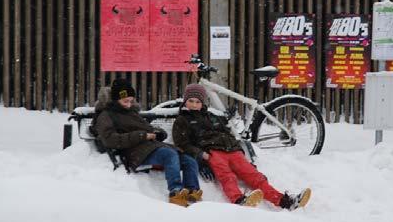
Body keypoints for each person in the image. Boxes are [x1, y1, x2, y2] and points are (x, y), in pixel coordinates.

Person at [172, 84, 311, 210]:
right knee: (227, 177)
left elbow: (227, 133)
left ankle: (285, 201)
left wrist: (239, 149)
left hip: (233, 150)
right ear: (185, 101)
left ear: (202, 103)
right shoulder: (182, 120)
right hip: (212, 152)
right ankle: (239, 200)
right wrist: (201, 155)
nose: (194, 105)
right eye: (191, 101)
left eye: (197, 102)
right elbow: (182, 143)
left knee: (255, 176)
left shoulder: (212, 116)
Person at [93, 78, 201, 207]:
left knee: (189, 160)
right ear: (116, 99)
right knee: (169, 154)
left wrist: (158, 132)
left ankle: (191, 191)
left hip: (150, 147)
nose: (128, 104)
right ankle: (175, 192)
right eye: (125, 101)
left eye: (131, 101)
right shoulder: (106, 115)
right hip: (134, 152)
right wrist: (142, 136)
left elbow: (147, 129)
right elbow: (110, 139)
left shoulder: (131, 112)